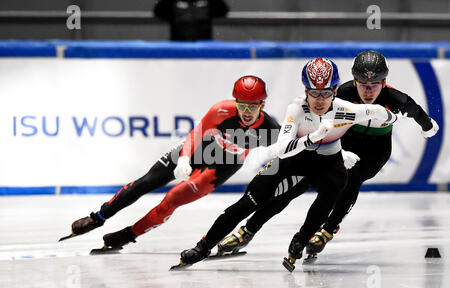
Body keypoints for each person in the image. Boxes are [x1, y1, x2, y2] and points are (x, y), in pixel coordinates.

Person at [175, 57, 399, 268]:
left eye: (324, 93)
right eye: (313, 93)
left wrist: (391, 118)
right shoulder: (297, 108)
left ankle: (303, 238)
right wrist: (313, 137)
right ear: (305, 91)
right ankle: (203, 247)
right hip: (294, 160)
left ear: (335, 91)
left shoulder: (346, 110)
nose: (319, 100)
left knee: (337, 184)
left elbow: (377, 111)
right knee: (251, 200)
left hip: (326, 165)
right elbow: (282, 148)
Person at [216, 50, 440, 261]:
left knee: (351, 181)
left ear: (384, 83)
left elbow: (420, 114)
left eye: (374, 85)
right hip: (342, 144)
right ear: (354, 82)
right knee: (295, 185)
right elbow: (318, 122)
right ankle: (248, 230)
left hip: (375, 151)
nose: (368, 91)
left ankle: (327, 229)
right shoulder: (341, 93)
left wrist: (428, 128)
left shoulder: (398, 100)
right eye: (363, 85)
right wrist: (339, 152)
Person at [60, 75, 280, 252]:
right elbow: (197, 133)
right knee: (146, 182)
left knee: (172, 199)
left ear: (263, 104)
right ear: (235, 102)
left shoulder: (271, 130)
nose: (247, 112)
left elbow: (289, 149)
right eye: (243, 106)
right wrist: (184, 158)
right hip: (200, 149)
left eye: (253, 107)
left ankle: (129, 235)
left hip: (223, 165)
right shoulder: (221, 110)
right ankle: (98, 217)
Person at [153, 0, 229, 41]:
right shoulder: (172, 2)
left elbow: (223, 10)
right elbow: (158, 11)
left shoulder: (208, 2)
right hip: (178, 44)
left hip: (204, 44)